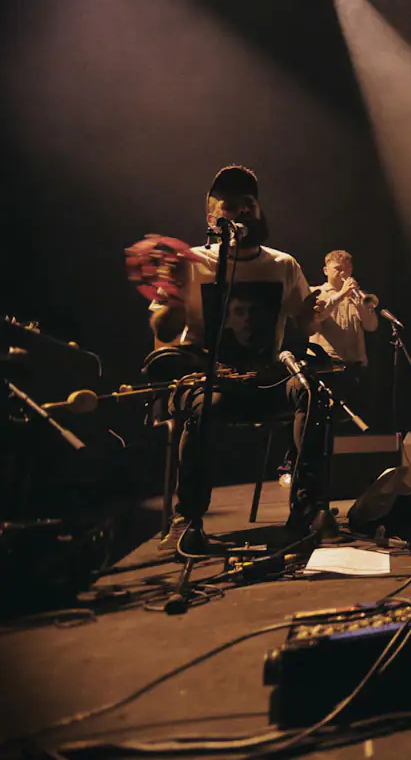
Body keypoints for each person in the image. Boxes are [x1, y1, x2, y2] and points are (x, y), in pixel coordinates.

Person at [146, 165, 329, 552]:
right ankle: (189, 520)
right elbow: (163, 332)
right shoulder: (190, 262)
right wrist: (174, 294)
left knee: (313, 395)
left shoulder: (282, 265)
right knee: (204, 406)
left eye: (249, 204)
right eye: (230, 205)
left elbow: (305, 319)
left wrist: (318, 309)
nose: (242, 211)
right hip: (210, 380)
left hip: (266, 378)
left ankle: (307, 513)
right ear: (212, 218)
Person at [310, 250, 379, 422]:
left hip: (355, 367)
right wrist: (340, 295)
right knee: (325, 420)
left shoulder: (357, 296)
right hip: (327, 367)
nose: (344, 273)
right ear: (326, 271)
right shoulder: (316, 292)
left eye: (347, 269)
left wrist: (362, 306)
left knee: (355, 421)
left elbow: (371, 326)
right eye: (338, 269)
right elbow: (317, 317)